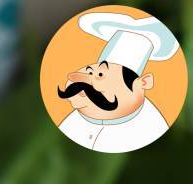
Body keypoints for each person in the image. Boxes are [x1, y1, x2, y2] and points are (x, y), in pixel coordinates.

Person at [57, 10, 179, 153]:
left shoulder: (147, 127)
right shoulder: (74, 116)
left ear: (143, 83)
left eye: (101, 75)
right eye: (90, 71)